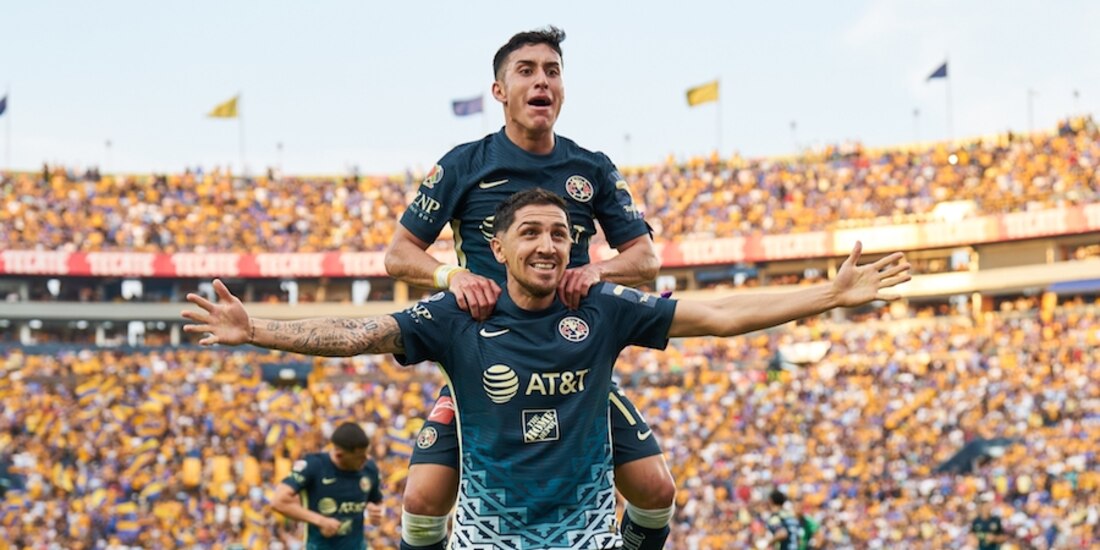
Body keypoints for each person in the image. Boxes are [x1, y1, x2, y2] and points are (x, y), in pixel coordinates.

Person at [184, 189, 911, 550]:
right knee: (422, 493)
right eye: (530, 231)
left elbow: (717, 314)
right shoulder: (459, 315)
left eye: (561, 233)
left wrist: (830, 295)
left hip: (586, 534)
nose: (548, 243)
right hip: (487, 536)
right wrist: (258, 331)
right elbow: (360, 332)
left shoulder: (603, 308)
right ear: (495, 249)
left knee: (655, 486)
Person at [384, 25, 672, 550]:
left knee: (655, 489)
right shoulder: (462, 164)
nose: (542, 80)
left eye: (552, 71)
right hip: (486, 362)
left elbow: (645, 259)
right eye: (527, 70)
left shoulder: (592, 167)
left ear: (561, 89)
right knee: (423, 500)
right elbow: (397, 254)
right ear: (500, 91)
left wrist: (597, 272)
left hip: (574, 362)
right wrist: (454, 275)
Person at [270, 422, 385, 550]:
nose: (365, 459)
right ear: (339, 454)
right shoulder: (314, 465)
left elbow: (377, 501)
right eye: (359, 456)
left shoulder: (369, 468)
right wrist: (320, 521)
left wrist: (377, 511)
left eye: (365, 454)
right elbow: (278, 501)